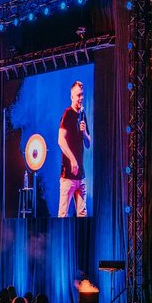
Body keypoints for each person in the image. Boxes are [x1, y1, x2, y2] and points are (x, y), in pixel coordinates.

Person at [58, 80, 92, 217]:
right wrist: (72, 160)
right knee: (63, 215)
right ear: (72, 97)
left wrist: (84, 133)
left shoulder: (83, 114)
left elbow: (88, 144)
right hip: (68, 177)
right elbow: (60, 140)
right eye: (78, 95)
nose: (81, 98)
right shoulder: (68, 114)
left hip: (81, 177)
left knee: (82, 214)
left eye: (82, 94)